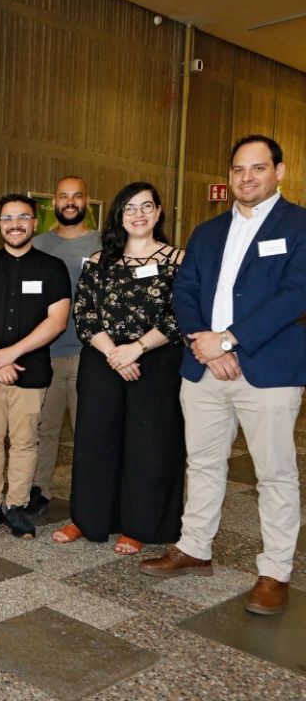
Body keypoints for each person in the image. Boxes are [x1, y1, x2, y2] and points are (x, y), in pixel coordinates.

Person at [140, 135, 306, 615]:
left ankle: (275, 571)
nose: (246, 177)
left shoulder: (298, 226)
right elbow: (185, 290)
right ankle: (195, 548)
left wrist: (230, 338)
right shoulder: (208, 231)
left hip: (269, 369)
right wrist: (205, 344)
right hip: (204, 367)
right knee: (204, 463)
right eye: (238, 169)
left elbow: (296, 296)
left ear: (279, 170)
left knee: (274, 474)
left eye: (257, 168)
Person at [53, 182, 185, 554]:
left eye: (146, 207)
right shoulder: (99, 260)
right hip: (103, 360)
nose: (138, 214)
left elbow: (183, 316)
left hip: (156, 363)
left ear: (158, 212)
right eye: (129, 208)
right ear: (119, 216)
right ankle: (89, 518)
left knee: (148, 445)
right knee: (95, 441)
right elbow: (85, 314)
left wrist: (138, 349)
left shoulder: (178, 260)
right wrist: (115, 354)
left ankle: (139, 524)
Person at [0, 194, 70, 539]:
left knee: (25, 442)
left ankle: (17, 505)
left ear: (35, 223)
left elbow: (57, 321)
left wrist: (11, 354)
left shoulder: (52, 269)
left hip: (31, 372)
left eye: (23, 217)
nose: (15, 224)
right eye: (7, 218)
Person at [27, 176, 100, 516]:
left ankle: (88, 496)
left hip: (92, 354)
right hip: (49, 354)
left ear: (86, 201)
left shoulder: (104, 244)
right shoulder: (38, 245)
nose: (70, 202)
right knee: (45, 428)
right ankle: (38, 491)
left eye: (77, 196)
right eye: (63, 196)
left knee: (89, 431)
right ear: (53, 202)